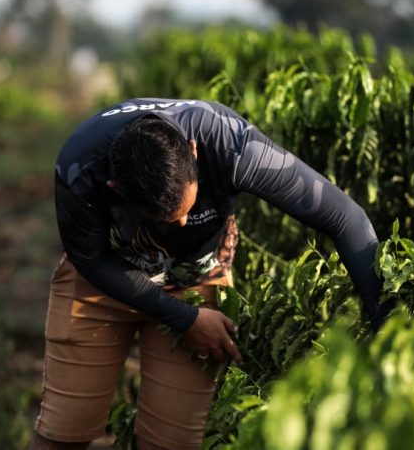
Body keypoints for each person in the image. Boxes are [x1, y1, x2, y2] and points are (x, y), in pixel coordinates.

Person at [29, 98, 386, 450]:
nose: (183, 223)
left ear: (194, 152)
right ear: (116, 190)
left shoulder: (231, 144)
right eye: (165, 220)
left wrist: (388, 330)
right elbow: (92, 260)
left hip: (196, 282)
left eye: (187, 209)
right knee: (62, 431)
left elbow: (345, 218)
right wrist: (183, 319)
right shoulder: (80, 167)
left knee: (171, 440)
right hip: (102, 285)